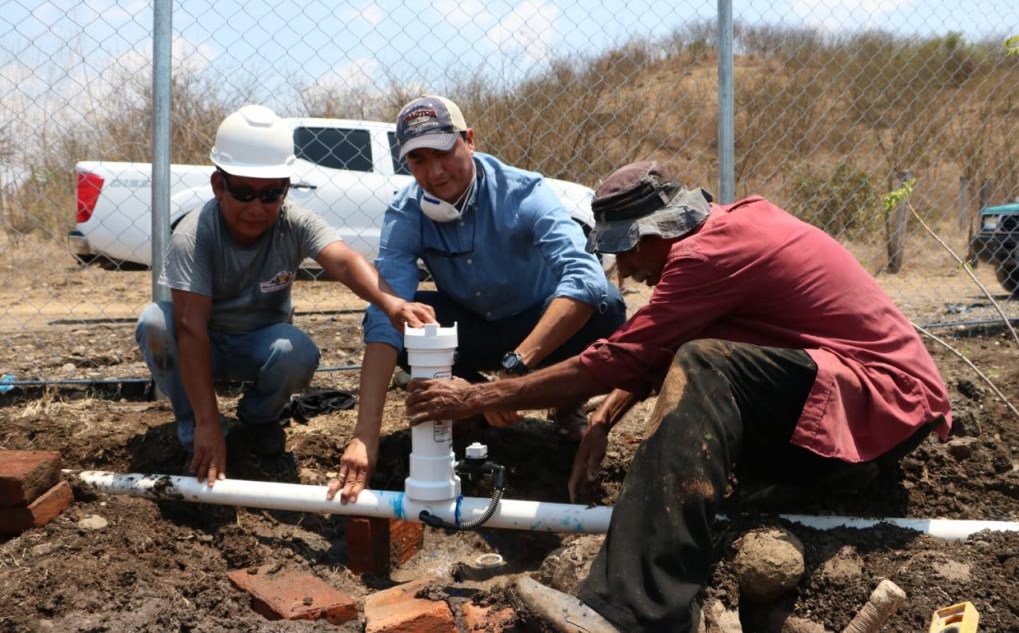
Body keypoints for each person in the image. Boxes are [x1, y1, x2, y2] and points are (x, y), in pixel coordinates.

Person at [404, 160, 952, 631]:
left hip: (882, 397)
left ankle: (635, 612)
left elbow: (623, 357)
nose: (628, 272)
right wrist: (603, 421)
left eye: (627, 252)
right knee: (700, 355)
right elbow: (655, 347)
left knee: (704, 362)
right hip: (876, 404)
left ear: (656, 234)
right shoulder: (731, 228)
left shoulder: (707, 255)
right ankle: (824, 477)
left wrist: (480, 397)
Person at [326, 95, 626, 503]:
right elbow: (386, 312)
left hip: (538, 327)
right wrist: (365, 436)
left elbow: (585, 278)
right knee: (398, 315)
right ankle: (468, 399)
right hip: (471, 327)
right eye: (418, 160)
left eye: (444, 153)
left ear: (469, 140)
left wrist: (516, 368)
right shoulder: (407, 210)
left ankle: (564, 401)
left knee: (606, 305)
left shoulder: (525, 193)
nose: (434, 172)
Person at [135, 104, 434, 487]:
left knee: (298, 351)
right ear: (218, 185)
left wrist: (392, 303)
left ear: (285, 189)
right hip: (202, 344)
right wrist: (207, 421)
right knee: (155, 323)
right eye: (243, 193)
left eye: (270, 194)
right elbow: (190, 328)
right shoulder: (194, 235)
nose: (256, 207)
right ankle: (198, 429)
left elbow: (344, 262)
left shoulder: (294, 221)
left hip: (260, 348)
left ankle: (258, 420)